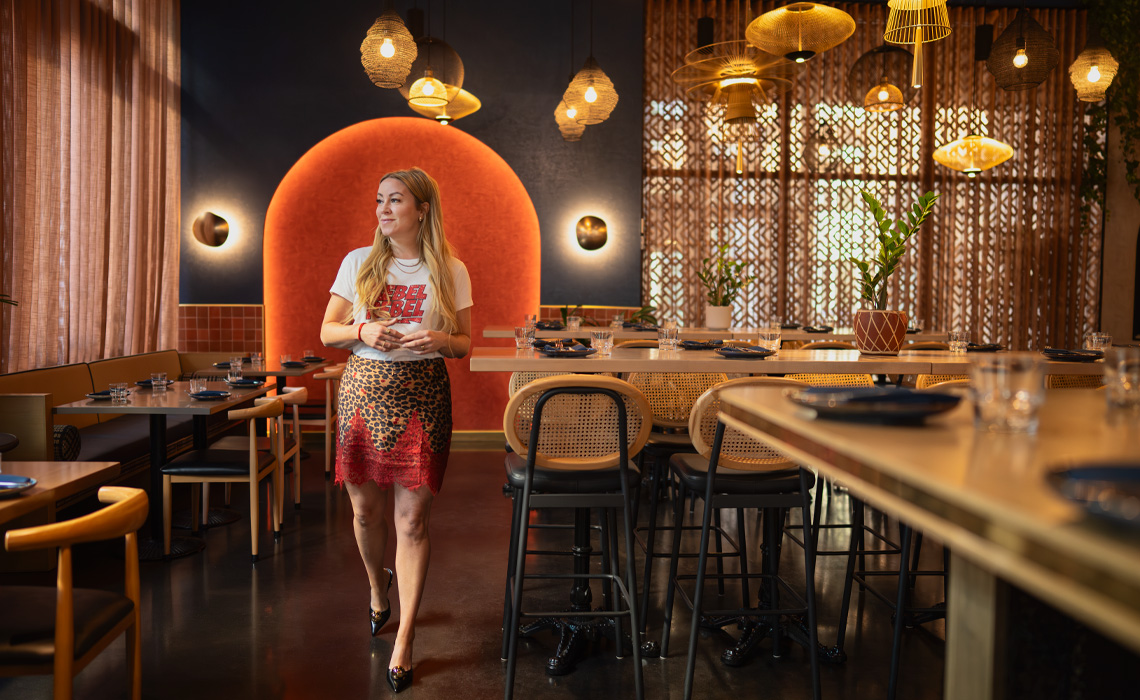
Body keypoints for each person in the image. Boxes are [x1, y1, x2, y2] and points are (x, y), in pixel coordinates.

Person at [320, 167, 472, 693]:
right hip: (364, 390)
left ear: (422, 209)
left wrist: (438, 338)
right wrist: (363, 328)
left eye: (396, 200)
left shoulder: (452, 269)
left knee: (412, 523)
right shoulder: (358, 263)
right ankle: (377, 589)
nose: (383, 209)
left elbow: (464, 344)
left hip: (423, 393)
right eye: (379, 200)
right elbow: (328, 330)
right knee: (365, 510)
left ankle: (405, 637)